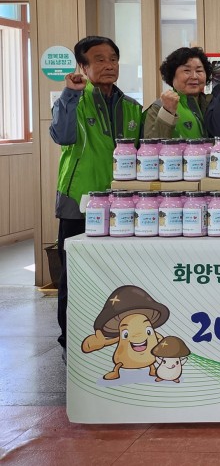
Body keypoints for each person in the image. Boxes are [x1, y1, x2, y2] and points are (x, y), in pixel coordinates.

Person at [50, 35, 142, 356]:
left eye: (113, 59)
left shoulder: (132, 107)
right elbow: (63, 136)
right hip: (80, 202)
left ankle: (113, 342)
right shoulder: (72, 100)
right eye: (99, 60)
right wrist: (70, 94)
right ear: (83, 66)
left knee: (119, 277)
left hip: (122, 206)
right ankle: (70, 342)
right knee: (75, 277)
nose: (109, 65)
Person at [143, 47, 214, 139]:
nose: (194, 76)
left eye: (199, 71)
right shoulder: (158, 107)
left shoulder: (213, 103)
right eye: (187, 71)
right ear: (172, 75)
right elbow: (152, 144)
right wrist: (167, 112)